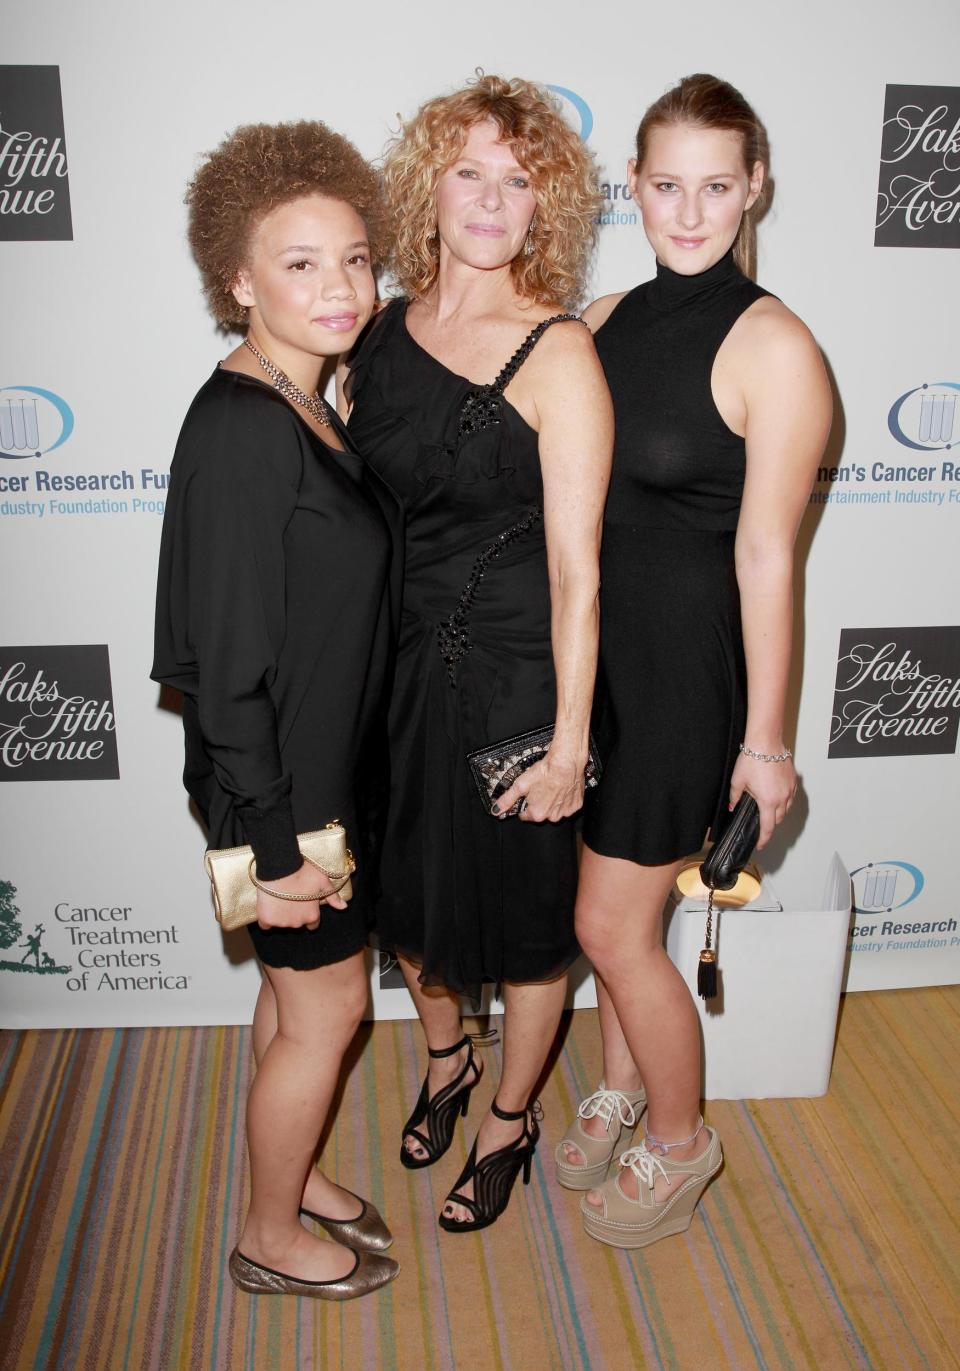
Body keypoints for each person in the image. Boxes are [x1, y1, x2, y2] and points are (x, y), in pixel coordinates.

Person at [557, 74, 832, 1248]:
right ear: (636, 184)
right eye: (666, 184)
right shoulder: (608, 318)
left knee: (610, 928)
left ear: (755, 186)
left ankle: (680, 1139)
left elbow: (771, 557)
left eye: (716, 185)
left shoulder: (775, 346)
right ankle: (623, 1082)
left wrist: (765, 744)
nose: (689, 209)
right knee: (632, 920)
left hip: (684, 681)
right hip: (595, 671)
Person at [343, 75, 613, 1232]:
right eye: (472, 173)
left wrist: (568, 745)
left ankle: (508, 1119)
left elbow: (577, 573)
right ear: (429, 186)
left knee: (524, 927)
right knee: (406, 909)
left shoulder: (559, 356)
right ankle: (447, 1059)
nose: (493, 202)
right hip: (389, 675)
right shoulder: (376, 331)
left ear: (544, 205)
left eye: (519, 181)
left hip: (510, 681)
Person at [152, 121, 401, 1298]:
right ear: (238, 278)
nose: (340, 286)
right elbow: (227, 665)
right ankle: (267, 1232)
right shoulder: (248, 429)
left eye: (354, 257)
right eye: (299, 264)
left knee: (289, 998)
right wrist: (274, 847)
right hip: (278, 791)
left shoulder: (303, 397)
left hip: (307, 775)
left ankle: (286, 1174)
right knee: (330, 1007)